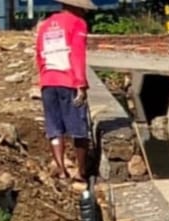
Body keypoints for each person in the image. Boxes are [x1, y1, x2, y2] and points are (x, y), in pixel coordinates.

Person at [34, 0, 95, 181]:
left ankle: (61, 170)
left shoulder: (45, 25)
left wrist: (43, 77)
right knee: (79, 128)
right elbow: (77, 55)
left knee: (54, 128)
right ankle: (80, 172)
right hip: (69, 82)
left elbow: (38, 54)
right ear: (78, 7)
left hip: (48, 82)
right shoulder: (78, 23)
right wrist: (81, 84)